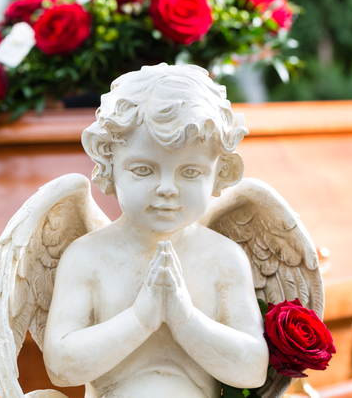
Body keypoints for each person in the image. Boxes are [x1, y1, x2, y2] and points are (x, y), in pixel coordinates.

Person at [42, 64, 268, 397]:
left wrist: (184, 319)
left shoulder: (224, 258)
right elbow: (61, 366)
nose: (167, 188)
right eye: (144, 169)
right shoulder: (87, 256)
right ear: (110, 165)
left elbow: (252, 369)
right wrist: (141, 319)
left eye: (190, 172)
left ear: (220, 172)